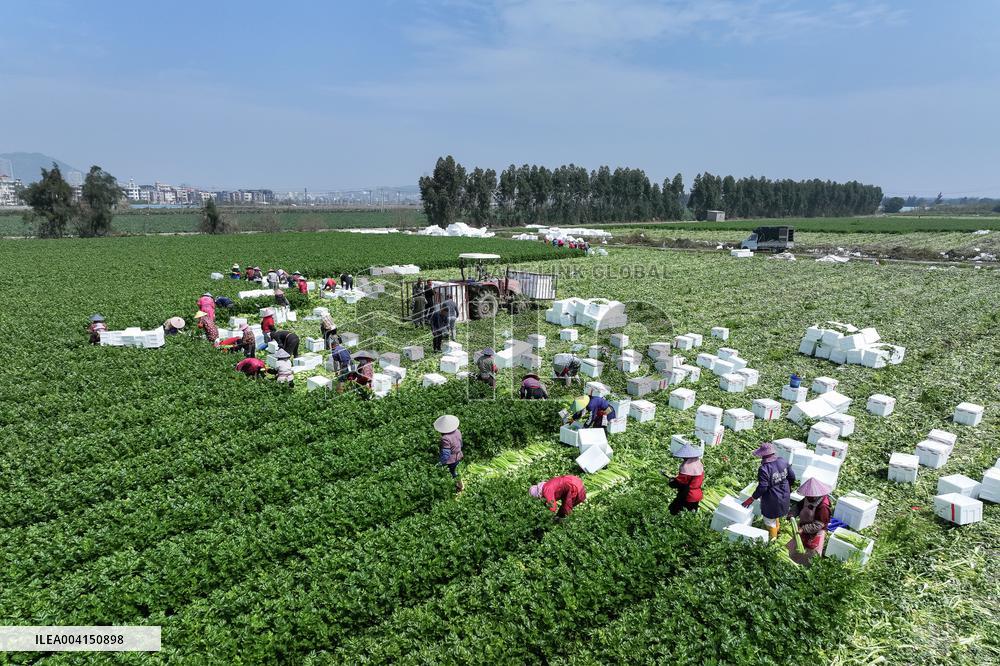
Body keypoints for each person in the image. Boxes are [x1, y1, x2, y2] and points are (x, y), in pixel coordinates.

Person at [742, 442, 796, 541]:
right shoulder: (782, 461)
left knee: (769, 521)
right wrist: (786, 488)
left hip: (772, 500)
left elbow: (763, 487)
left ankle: (772, 541)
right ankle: (777, 532)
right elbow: (792, 477)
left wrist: (752, 498)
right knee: (776, 516)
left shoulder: (764, 469)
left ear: (763, 456)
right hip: (784, 496)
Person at [787, 478, 832, 566]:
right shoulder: (808, 498)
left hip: (815, 533)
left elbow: (819, 524)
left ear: (815, 495)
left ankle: (806, 568)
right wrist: (792, 513)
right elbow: (798, 506)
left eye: (809, 496)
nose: (807, 497)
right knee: (797, 549)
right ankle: (795, 563)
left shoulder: (823, 507)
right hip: (803, 528)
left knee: (810, 555)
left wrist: (803, 529)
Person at [662, 442, 705, 515]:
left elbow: (681, 482)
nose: (683, 458)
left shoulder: (687, 467)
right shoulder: (699, 464)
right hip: (698, 494)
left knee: (674, 510)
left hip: (688, 495)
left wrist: (672, 482)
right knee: (691, 513)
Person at [434, 414, 464, 492]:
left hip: (452, 459)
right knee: (455, 469)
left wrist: (441, 463)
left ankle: (459, 487)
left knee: (452, 472)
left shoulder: (445, 438)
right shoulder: (457, 431)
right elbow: (460, 443)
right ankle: (459, 484)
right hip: (458, 455)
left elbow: (446, 453)